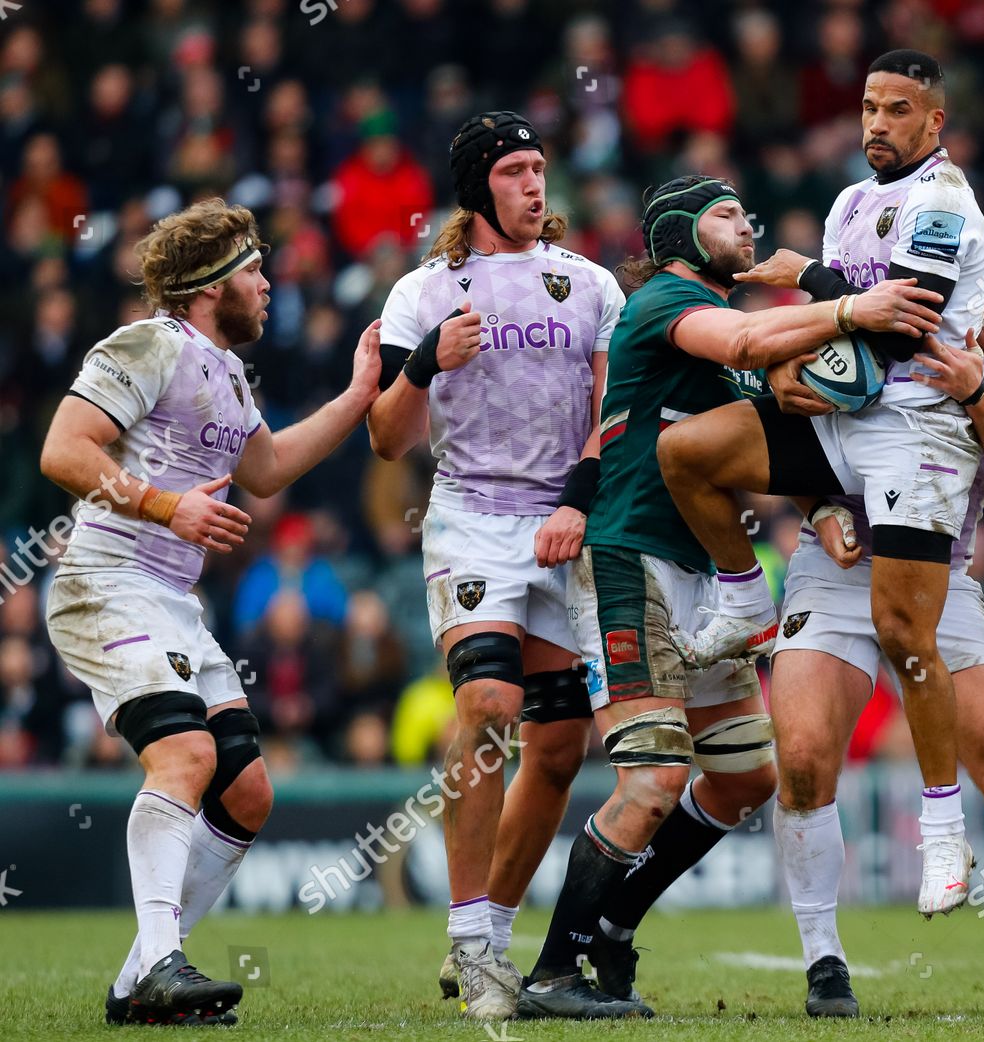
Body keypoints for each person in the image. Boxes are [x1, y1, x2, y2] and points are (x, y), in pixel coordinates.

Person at [516, 174, 945, 1020]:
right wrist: (852, 309)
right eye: (723, 215)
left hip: (707, 577)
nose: (744, 225)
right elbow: (746, 345)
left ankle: (612, 926)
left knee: (746, 779)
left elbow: (754, 432)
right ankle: (551, 974)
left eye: (748, 213)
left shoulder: (738, 339)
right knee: (653, 781)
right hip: (628, 559)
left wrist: (821, 504)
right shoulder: (666, 301)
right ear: (677, 233)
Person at [655, 49, 984, 916]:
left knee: (903, 632)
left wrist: (807, 281)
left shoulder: (943, 200)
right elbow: (841, 324)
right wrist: (787, 369)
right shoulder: (851, 201)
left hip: (916, 426)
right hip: (839, 420)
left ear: (934, 122)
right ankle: (740, 592)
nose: (877, 123)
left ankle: (946, 829)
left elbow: (908, 321)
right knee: (689, 451)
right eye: (870, 107)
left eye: (898, 110)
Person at [40, 198, 381, 1025]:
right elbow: (63, 450)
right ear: (208, 287)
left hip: (170, 601)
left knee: (250, 790)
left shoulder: (226, 371)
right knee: (187, 756)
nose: (268, 283)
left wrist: (360, 394)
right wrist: (166, 507)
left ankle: (139, 985)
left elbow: (264, 470)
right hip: (105, 579)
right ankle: (160, 962)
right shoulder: (151, 343)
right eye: (254, 269)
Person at [767, 219, 984, 1017]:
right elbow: (784, 421)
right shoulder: (879, 329)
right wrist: (814, 508)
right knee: (806, 757)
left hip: (940, 581)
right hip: (838, 571)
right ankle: (824, 964)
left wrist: (974, 389)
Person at [367, 111, 620, 1021]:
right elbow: (389, 439)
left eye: (540, 168)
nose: (534, 185)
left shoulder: (589, 284)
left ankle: (494, 940)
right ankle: (470, 943)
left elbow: (610, 413)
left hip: (565, 525)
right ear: (478, 187)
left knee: (559, 747)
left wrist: (577, 502)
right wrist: (427, 363)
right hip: (473, 522)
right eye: (514, 170)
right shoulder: (422, 293)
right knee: (488, 702)